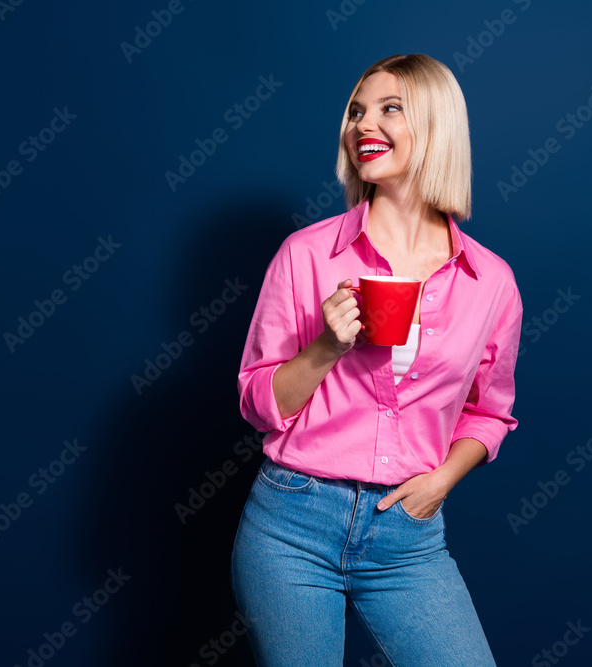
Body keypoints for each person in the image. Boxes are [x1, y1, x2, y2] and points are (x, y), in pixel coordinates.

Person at [231, 53, 522, 666]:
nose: (365, 124)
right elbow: (258, 405)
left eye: (391, 109)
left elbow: (490, 414)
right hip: (292, 524)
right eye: (357, 111)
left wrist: (441, 481)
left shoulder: (490, 282)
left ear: (437, 126)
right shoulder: (305, 254)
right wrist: (327, 346)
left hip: (407, 538)